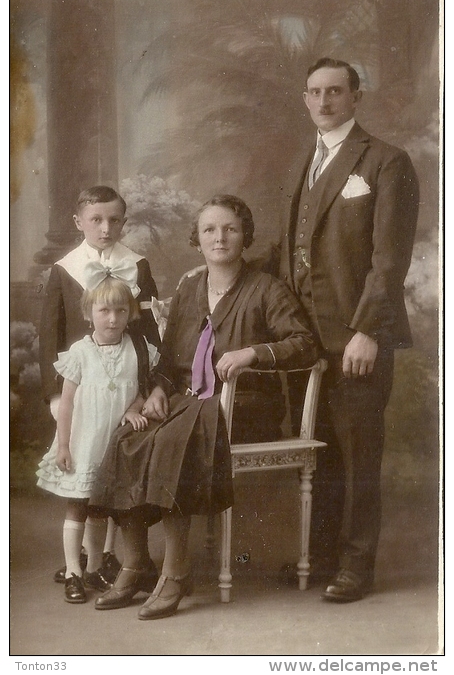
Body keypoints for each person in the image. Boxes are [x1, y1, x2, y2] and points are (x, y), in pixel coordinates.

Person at [89, 194, 317, 619]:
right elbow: (173, 358)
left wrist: (253, 352)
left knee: (176, 437)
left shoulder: (267, 288)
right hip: (192, 405)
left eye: (230, 228)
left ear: (245, 235)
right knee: (128, 436)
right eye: (210, 229)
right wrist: (156, 389)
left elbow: (304, 345)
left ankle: (177, 573)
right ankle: (137, 565)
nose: (220, 237)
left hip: (247, 409)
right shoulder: (190, 286)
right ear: (197, 238)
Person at [275, 57, 420, 602]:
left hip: (357, 337)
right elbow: (291, 250)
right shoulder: (304, 162)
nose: (324, 101)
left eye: (335, 91)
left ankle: (357, 566)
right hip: (306, 339)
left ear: (356, 97)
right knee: (323, 451)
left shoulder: (386, 161)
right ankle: (324, 555)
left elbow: (389, 260)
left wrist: (368, 329)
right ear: (305, 98)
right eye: (314, 92)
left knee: (358, 454)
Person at [38, 185, 161, 585]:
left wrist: (145, 390)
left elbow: (151, 333)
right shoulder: (65, 268)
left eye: (113, 220)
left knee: (112, 475)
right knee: (86, 475)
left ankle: (102, 557)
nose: (105, 228)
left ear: (123, 222)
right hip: (79, 387)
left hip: (124, 387)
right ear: (79, 222)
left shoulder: (137, 265)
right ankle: (82, 563)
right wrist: (55, 393)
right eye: (96, 219)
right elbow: (50, 334)